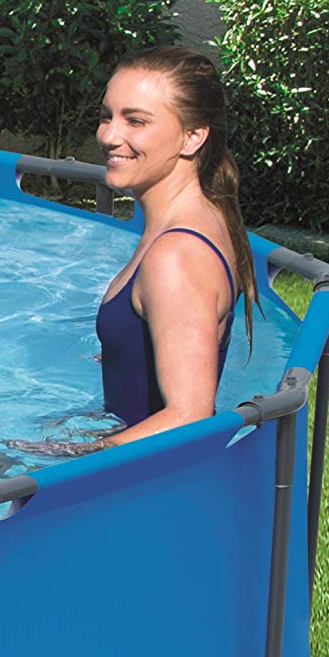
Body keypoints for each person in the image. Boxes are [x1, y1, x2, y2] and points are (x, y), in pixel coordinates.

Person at [91, 46, 261, 445]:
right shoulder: (204, 217)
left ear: (193, 137)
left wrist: (68, 457)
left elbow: (188, 417)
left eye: (136, 121)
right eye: (107, 116)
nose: (110, 136)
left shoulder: (177, 255)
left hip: (140, 477)